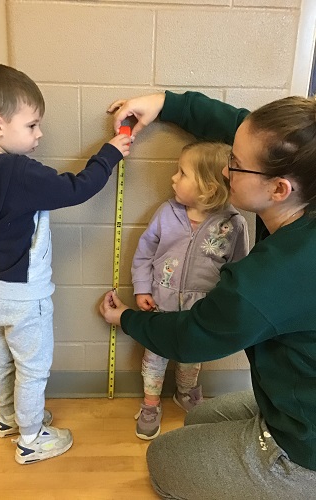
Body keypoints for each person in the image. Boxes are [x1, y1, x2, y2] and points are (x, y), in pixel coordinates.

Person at [100, 91, 316, 499]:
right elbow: (245, 128)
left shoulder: (275, 274)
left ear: (279, 188)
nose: (224, 171)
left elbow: (190, 337)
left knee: (163, 461)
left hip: (306, 447)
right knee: (198, 418)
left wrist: (126, 318)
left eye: (233, 163)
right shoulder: (307, 181)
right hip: (295, 398)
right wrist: (166, 103)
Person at [0, 64, 130, 465]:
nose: (40, 135)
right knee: (32, 367)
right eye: (32, 125)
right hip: (22, 295)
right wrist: (110, 153)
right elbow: (77, 188)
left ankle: (8, 418)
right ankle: (31, 437)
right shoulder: (17, 171)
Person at [132, 141, 248, 441]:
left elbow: (240, 269)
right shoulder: (166, 213)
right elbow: (144, 252)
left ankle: (185, 393)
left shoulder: (233, 224)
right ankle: (150, 404)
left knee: (191, 358)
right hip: (161, 305)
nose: (173, 178)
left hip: (201, 312)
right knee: (155, 358)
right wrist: (142, 288)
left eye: (181, 173)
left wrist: (224, 306)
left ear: (208, 188)